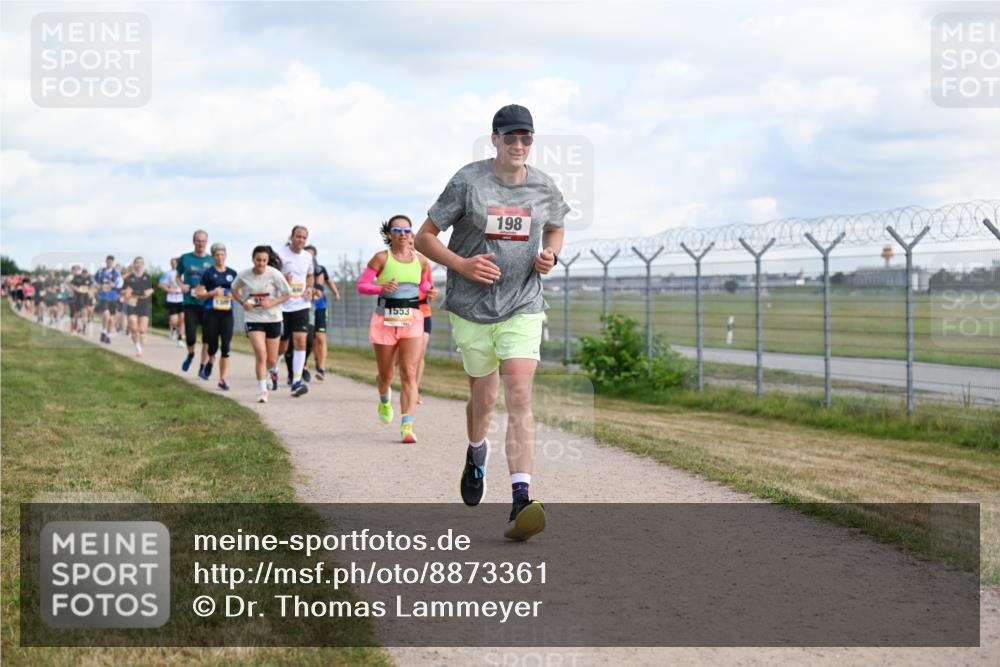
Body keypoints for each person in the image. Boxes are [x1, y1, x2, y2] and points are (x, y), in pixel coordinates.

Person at [414, 104, 569, 541]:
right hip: (472, 309)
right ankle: (475, 452)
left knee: (519, 396)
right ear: (495, 139)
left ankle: (521, 499)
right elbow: (426, 236)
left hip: (523, 304)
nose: (518, 145)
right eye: (510, 137)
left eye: (526, 138)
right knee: (483, 399)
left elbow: (555, 227)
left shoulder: (544, 186)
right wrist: (462, 265)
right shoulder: (469, 180)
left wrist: (550, 254)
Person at [357, 216, 432, 444]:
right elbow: (362, 285)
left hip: (412, 319)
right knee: (386, 374)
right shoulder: (381, 258)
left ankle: (407, 426)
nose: (402, 233)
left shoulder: (421, 261)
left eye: (406, 230)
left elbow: (425, 284)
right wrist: (381, 287)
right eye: (397, 230)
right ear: (389, 234)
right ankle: (384, 398)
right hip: (385, 320)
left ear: (411, 233)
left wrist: (429, 291)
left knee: (409, 372)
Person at [231, 246, 292, 403]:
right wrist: (242, 302)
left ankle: (273, 371)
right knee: (261, 354)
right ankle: (263, 391)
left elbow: (287, 293)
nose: (261, 263)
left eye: (264, 260)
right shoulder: (244, 275)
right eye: (258, 260)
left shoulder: (274, 274)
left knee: (271, 359)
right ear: (253, 259)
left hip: (273, 318)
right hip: (253, 318)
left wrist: (271, 302)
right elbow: (233, 289)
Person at [194, 243, 238, 390]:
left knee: (225, 347)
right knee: (212, 345)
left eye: (222, 254)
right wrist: (211, 293)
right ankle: (210, 361)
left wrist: (233, 295)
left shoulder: (233, 274)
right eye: (217, 255)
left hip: (227, 314)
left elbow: (240, 293)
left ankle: (222, 379)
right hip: (211, 313)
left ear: (226, 256)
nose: (220, 258)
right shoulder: (208, 273)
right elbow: (199, 294)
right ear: (212, 257)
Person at [277, 226, 314, 397]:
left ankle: (296, 381)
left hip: (301, 304)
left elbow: (309, 275)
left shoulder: (308, 257)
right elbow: (271, 277)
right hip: (283, 305)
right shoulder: (280, 254)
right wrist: (283, 280)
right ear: (291, 237)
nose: (300, 240)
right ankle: (273, 369)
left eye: (303, 238)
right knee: (282, 345)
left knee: (301, 340)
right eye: (298, 236)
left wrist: (310, 288)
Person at [177, 230, 214, 376]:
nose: (201, 244)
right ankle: (190, 354)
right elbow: (178, 276)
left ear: (207, 242)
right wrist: (181, 285)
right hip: (190, 302)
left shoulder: (211, 260)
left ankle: (202, 366)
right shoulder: (185, 258)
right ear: (194, 242)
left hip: (206, 304)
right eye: (198, 241)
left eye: (204, 241)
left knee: (207, 338)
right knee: (191, 336)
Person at [304, 244, 340, 381]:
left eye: (312, 254)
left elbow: (329, 281)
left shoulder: (320, 270)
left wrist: (335, 293)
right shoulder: (301, 269)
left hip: (320, 307)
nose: (310, 257)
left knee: (320, 337)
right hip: (305, 308)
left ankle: (321, 368)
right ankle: (304, 364)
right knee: (308, 340)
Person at [121, 257, 154, 356]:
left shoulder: (147, 277)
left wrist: (147, 292)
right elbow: (122, 291)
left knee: (142, 330)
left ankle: (143, 336)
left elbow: (149, 290)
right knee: (133, 326)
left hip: (144, 303)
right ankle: (138, 348)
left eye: (140, 263)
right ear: (134, 265)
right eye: (137, 263)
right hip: (132, 302)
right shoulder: (128, 278)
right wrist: (126, 292)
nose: (138, 265)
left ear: (143, 265)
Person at [93, 255, 122, 344]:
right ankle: (104, 331)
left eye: (111, 262)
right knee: (106, 315)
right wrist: (97, 285)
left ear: (112, 263)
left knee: (110, 319)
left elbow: (120, 283)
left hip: (113, 297)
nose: (109, 263)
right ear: (106, 261)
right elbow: (94, 280)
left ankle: (107, 335)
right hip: (103, 296)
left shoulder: (116, 273)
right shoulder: (101, 271)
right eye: (108, 261)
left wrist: (114, 285)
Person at [159, 257, 186, 347]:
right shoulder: (168, 273)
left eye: (176, 263)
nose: (174, 264)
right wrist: (169, 290)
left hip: (183, 298)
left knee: (182, 319)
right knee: (174, 320)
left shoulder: (184, 273)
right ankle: (174, 329)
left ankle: (180, 339)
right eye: (172, 263)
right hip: (172, 299)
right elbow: (161, 285)